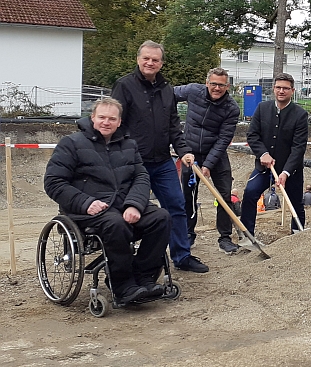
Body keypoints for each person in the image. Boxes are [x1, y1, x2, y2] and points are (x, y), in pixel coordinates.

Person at [44, 97, 171, 303]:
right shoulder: (71, 144)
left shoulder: (129, 144)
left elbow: (141, 176)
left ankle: (143, 277)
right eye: (102, 117)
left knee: (161, 217)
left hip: (122, 204)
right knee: (116, 223)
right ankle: (122, 285)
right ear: (92, 117)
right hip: (86, 211)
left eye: (112, 118)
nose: (106, 122)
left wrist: (134, 204)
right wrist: (85, 203)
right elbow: (53, 182)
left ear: (119, 122)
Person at [111, 40, 208, 273]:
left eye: (155, 60)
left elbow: (174, 126)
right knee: (132, 211)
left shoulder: (167, 89)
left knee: (176, 207)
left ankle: (182, 256)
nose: (150, 63)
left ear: (161, 63)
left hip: (163, 161)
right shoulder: (124, 86)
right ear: (138, 59)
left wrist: (184, 151)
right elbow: (115, 123)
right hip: (135, 163)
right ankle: (128, 261)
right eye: (146, 58)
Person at [174, 67, 240, 254]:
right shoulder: (193, 91)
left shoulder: (231, 108)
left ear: (227, 86)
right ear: (207, 83)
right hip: (190, 153)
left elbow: (223, 140)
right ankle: (188, 234)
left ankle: (225, 237)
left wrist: (209, 164)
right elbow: (168, 95)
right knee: (188, 196)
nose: (217, 88)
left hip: (216, 154)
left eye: (221, 85)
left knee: (224, 196)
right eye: (213, 84)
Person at [240, 73, 308, 235]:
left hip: (290, 170)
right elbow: (252, 135)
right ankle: (247, 234)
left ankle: (298, 234)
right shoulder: (262, 108)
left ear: (292, 90)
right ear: (273, 89)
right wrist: (262, 153)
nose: (281, 91)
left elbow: (298, 148)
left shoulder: (300, 114)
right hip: (264, 168)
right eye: (278, 87)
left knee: (295, 203)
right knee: (250, 193)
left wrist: (286, 172)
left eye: (285, 88)